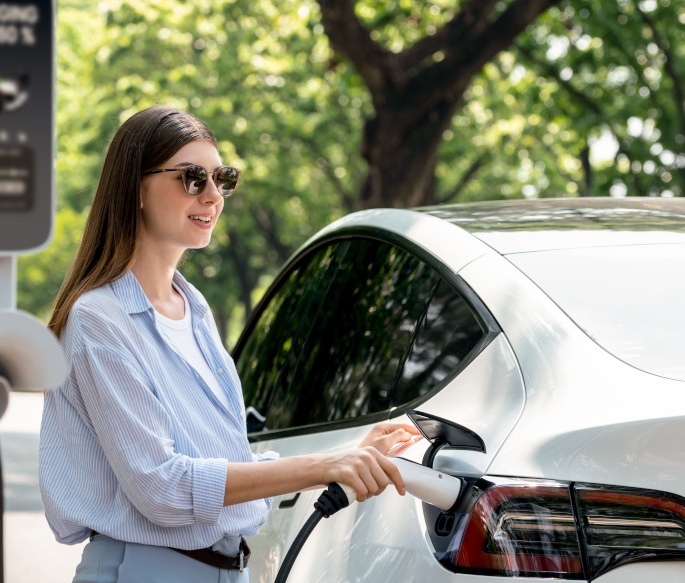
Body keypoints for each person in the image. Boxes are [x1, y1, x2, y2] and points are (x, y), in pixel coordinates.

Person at [39, 105, 420, 583]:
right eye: (193, 178)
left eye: (222, 178)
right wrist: (325, 466)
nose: (213, 195)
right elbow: (164, 487)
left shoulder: (192, 309)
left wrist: (347, 454)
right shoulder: (100, 320)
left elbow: (225, 469)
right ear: (135, 186)